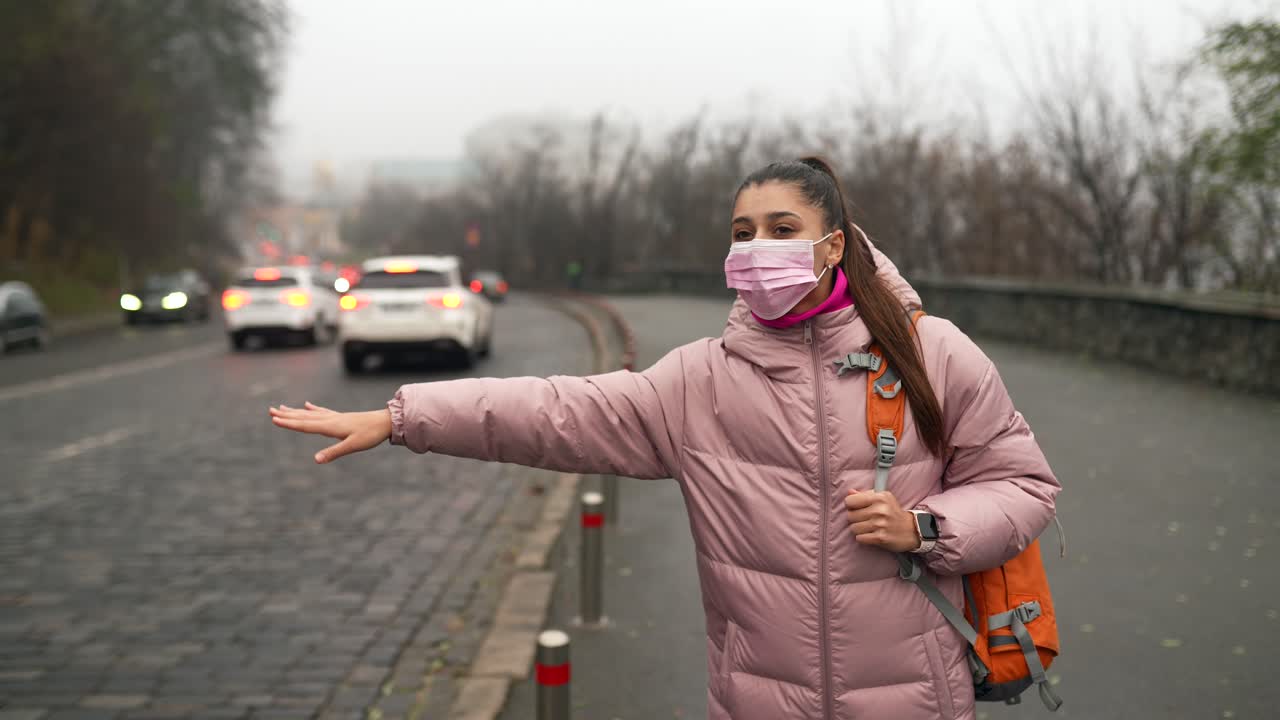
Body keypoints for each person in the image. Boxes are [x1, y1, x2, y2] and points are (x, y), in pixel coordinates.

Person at [270, 157, 1061, 720]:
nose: (756, 247)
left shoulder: (933, 353)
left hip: (917, 700)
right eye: (742, 230)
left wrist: (927, 529)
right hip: (757, 700)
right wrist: (403, 418)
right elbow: (552, 411)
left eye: (781, 228)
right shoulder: (699, 381)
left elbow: (1024, 486)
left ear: (834, 245)